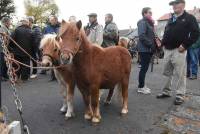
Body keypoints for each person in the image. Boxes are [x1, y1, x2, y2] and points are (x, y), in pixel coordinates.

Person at [157, 0, 199, 105]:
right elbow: (167, 32)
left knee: (180, 74)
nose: (174, 6)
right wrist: (161, 44)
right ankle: (166, 91)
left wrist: (185, 45)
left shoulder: (189, 18)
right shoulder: (171, 19)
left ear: (183, 5)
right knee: (167, 73)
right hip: (167, 49)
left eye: (176, 3)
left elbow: (196, 33)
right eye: (173, 4)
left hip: (179, 50)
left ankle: (180, 95)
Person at [137, 7, 156, 94]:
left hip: (147, 49)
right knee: (143, 69)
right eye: (149, 12)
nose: (151, 14)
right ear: (144, 13)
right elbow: (142, 36)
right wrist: (151, 44)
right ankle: (141, 87)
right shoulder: (142, 22)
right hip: (144, 49)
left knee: (144, 68)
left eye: (151, 12)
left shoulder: (149, 22)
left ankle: (142, 85)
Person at [9, 17, 34, 82]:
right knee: (25, 65)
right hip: (27, 52)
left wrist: (11, 49)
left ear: (22, 23)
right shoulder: (31, 31)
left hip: (16, 52)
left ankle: (16, 77)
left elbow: (11, 40)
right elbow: (33, 43)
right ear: (27, 23)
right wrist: (32, 51)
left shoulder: (16, 30)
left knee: (16, 65)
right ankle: (24, 78)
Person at [41, 15, 60, 81]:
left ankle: (59, 76)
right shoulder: (47, 27)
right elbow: (43, 35)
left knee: (58, 61)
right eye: (50, 20)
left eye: (52, 20)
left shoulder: (60, 27)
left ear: (56, 20)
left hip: (57, 45)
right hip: (49, 45)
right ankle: (53, 76)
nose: (51, 21)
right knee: (51, 59)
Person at [0, 17, 11, 81]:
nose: (10, 23)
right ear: (6, 22)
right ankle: (1, 76)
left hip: (6, 49)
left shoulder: (6, 28)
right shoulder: (2, 28)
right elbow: (2, 38)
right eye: (9, 22)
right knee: (2, 63)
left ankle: (4, 75)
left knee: (5, 62)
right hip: (2, 49)